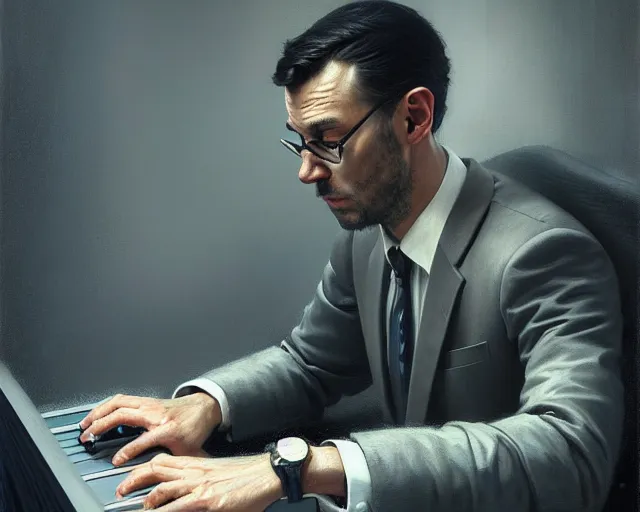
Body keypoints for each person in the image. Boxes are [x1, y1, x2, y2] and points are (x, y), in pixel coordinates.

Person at [78, 1, 624, 511]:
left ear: (413, 118)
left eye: (328, 140)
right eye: (299, 141)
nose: (307, 171)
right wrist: (207, 405)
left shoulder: (545, 254)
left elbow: (572, 451)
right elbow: (310, 363)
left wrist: (304, 467)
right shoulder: (368, 235)